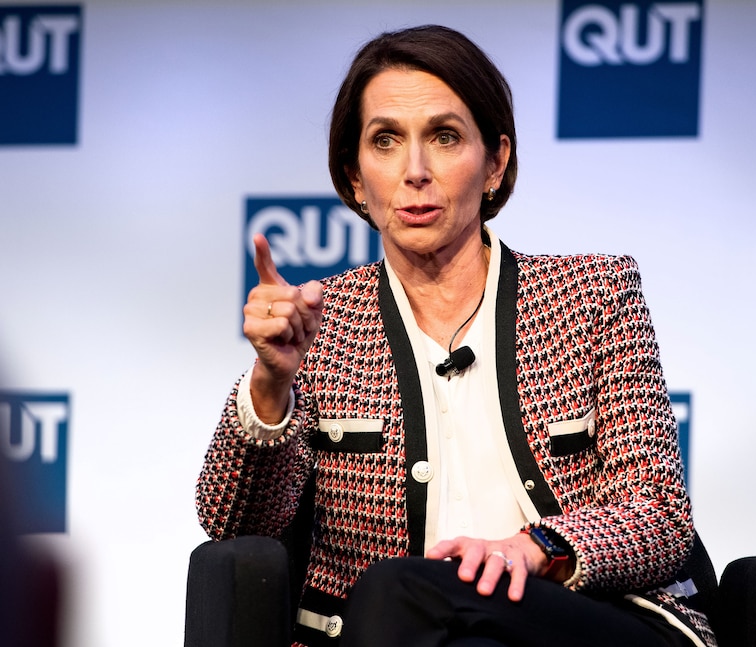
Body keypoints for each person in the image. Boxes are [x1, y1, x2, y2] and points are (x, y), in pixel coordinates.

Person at [197, 25, 717, 647]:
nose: (415, 171)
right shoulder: (321, 325)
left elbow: (657, 517)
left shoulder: (591, 295)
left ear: (495, 162)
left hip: (581, 621)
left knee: (396, 589)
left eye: (444, 137)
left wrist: (534, 548)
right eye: (386, 141)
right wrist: (271, 384)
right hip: (400, 632)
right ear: (355, 178)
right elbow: (238, 526)